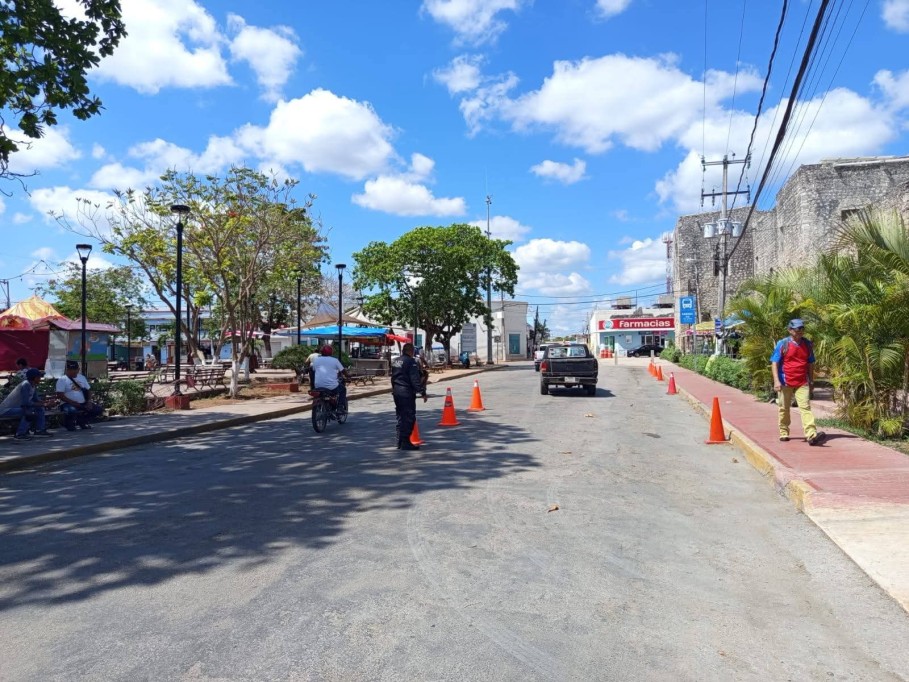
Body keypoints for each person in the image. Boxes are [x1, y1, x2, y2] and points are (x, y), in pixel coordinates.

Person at [770, 319, 825, 445]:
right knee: (784, 408)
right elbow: (774, 363)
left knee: (805, 407)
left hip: (802, 381)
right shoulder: (783, 344)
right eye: (797, 329)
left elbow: (810, 363)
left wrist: (811, 380)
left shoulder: (807, 344)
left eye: (802, 329)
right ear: (790, 330)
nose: (800, 331)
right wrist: (776, 381)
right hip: (785, 381)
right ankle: (784, 432)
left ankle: (811, 435)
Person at [391, 342, 427, 450]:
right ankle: (405, 441)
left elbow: (392, 378)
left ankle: (399, 441)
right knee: (409, 417)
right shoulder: (411, 362)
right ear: (410, 351)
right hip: (406, 392)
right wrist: (422, 392)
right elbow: (414, 379)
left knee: (400, 416)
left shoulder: (395, 361)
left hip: (397, 391)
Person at [0, 368, 52, 439]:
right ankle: (20, 434)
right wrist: (44, 404)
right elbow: (26, 403)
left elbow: (36, 400)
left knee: (39, 408)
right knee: (28, 412)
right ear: (34, 378)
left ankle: (39, 430)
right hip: (5, 410)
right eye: (39, 377)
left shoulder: (33, 385)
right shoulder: (26, 385)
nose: (40, 379)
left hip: (17, 408)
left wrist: (48, 403)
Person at [55, 360, 103, 431]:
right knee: (71, 410)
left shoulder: (82, 377)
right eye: (71, 370)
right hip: (68, 404)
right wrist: (73, 403)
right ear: (67, 370)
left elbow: (88, 390)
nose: (74, 371)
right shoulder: (62, 380)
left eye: (75, 369)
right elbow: (60, 395)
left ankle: (82, 421)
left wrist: (89, 401)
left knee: (98, 409)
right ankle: (69, 424)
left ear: (78, 369)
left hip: (83, 402)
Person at [310, 345, 350, 409]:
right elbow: (343, 371)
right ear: (331, 352)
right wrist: (348, 376)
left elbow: (314, 369)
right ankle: (340, 407)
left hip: (318, 385)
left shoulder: (316, 360)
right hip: (332, 386)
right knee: (343, 390)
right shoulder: (335, 360)